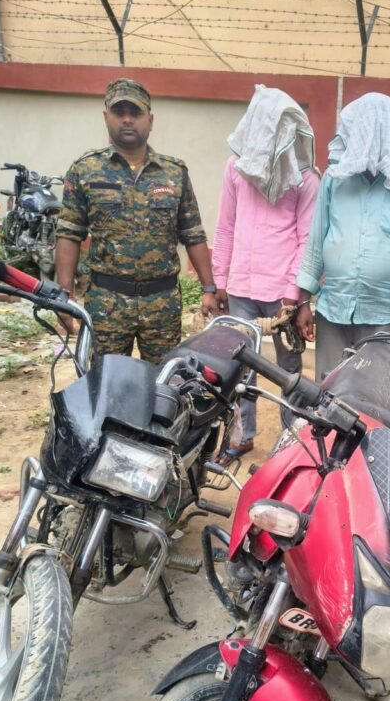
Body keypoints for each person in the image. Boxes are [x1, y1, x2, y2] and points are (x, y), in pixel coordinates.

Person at [56, 78, 220, 363]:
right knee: (107, 381)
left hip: (162, 304)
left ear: (150, 120)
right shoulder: (85, 170)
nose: (127, 119)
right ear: (106, 117)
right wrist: (63, 294)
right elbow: (69, 233)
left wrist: (208, 289)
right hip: (107, 304)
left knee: (163, 380)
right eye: (119, 112)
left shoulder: (174, 173)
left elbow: (193, 233)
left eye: (136, 112)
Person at [211, 85, 320, 461]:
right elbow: (225, 226)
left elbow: (308, 241)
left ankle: (291, 442)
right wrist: (219, 280)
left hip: (283, 295)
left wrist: (296, 296)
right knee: (239, 366)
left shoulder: (306, 179)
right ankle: (242, 435)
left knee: (289, 371)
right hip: (241, 288)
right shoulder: (235, 169)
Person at [294, 92, 390, 380]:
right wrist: (303, 301)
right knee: (328, 392)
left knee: (372, 395)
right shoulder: (334, 178)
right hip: (332, 310)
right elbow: (315, 241)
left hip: (382, 316)